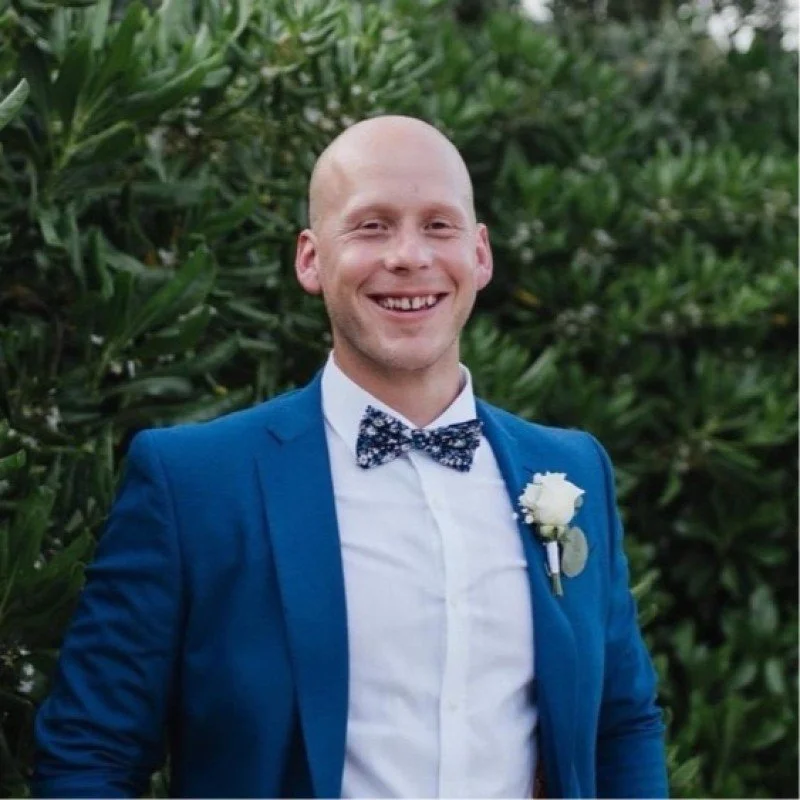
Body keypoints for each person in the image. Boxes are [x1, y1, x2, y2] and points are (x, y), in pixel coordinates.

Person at [33, 115, 668, 798]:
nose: (409, 256)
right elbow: (89, 756)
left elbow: (621, 724)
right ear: (310, 259)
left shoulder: (573, 470)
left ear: (480, 254)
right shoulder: (192, 484)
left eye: (439, 225)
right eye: (371, 226)